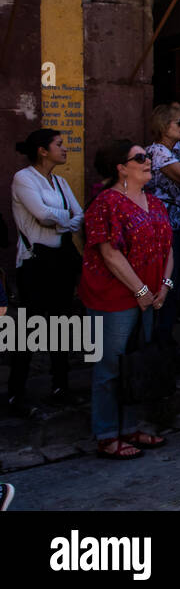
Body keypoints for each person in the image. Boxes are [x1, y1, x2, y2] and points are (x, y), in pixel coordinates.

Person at [79, 139, 173, 459]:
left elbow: (169, 248)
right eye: (140, 157)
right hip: (113, 298)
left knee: (135, 365)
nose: (148, 160)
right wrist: (141, 290)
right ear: (121, 168)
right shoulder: (106, 202)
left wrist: (165, 286)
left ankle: (130, 428)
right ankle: (107, 435)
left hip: (148, 298)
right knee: (109, 367)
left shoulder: (156, 203)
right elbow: (109, 252)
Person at [9, 129, 84, 417]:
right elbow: (42, 215)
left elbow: (79, 218)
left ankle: (60, 387)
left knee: (62, 325)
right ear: (42, 150)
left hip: (60, 261)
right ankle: (17, 393)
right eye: (59, 145)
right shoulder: (24, 178)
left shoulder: (61, 182)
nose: (64, 150)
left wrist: (59, 220)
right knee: (29, 329)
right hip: (34, 263)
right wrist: (62, 219)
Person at [143, 103, 180, 346]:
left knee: (175, 283)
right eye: (179, 122)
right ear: (163, 126)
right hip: (164, 227)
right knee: (168, 281)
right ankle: (159, 340)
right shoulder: (158, 152)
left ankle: (165, 338)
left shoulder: (171, 150)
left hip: (177, 224)